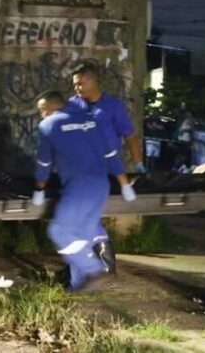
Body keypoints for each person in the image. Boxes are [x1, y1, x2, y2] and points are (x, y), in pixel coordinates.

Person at [32, 90, 128, 292]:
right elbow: (110, 154)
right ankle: (79, 286)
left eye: (42, 110)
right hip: (101, 184)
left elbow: (44, 163)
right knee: (82, 235)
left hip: (78, 186)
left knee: (59, 231)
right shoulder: (91, 121)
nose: (41, 115)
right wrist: (124, 184)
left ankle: (94, 270)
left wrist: (39, 188)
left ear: (51, 108)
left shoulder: (48, 125)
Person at [69, 65, 141, 273]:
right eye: (75, 84)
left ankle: (102, 263)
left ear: (94, 82)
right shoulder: (73, 106)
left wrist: (138, 162)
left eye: (81, 83)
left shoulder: (112, 106)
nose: (77, 88)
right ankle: (102, 263)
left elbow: (129, 136)